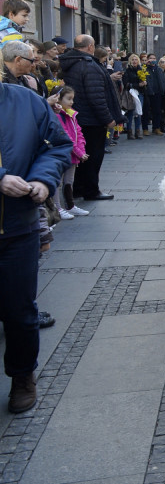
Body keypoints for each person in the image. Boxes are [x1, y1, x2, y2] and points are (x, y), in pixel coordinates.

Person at [0, 79, 72, 413]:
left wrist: (43, 179)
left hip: (17, 226)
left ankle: (22, 377)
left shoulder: (24, 100)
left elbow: (57, 146)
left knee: (20, 312)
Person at [57, 35, 117, 200]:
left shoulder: (71, 62)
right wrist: (108, 118)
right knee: (92, 156)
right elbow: (96, 96)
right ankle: (91, 190)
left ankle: (78, 188)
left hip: (76, 116)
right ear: (90, 46)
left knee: (81, 156)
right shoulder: (89, 65)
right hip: (91, 119)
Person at [50, 85, 90, 220]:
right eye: (69, 99)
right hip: (63, 153)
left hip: (73, 154)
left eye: (72, 99)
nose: (72, 102)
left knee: (69, 180)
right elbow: (65, 136)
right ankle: (57, 207)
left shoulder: (72, 114)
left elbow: (78, 133)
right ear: (58, 100)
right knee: (59, 182)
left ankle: (70, 205)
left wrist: (82, 150)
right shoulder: (58, 116)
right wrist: (79, 152)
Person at [122, 54, 145, 140]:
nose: (134, 61)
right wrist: (138, 84)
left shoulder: (142, 70)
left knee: (138, 112)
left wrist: (144, 83)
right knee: (130, 113)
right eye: (133, 60)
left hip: (140, 93)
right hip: (131, 94)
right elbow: (126, 84)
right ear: (130, 61)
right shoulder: (127, 71)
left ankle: (138, 131)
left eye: (136, 59)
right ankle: (129, 132)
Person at [143, 54, 165, 135]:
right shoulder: (145, 69)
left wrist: (162, 90)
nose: (153, 60)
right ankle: (145, 128)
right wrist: (145, 64)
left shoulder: (159, 69)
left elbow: (162, 80)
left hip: (157, 92)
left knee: (157, 111)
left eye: (154, 58)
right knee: (146, 111)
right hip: (148, 92)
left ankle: (156, 127)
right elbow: (140, 71)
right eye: (151, 58)